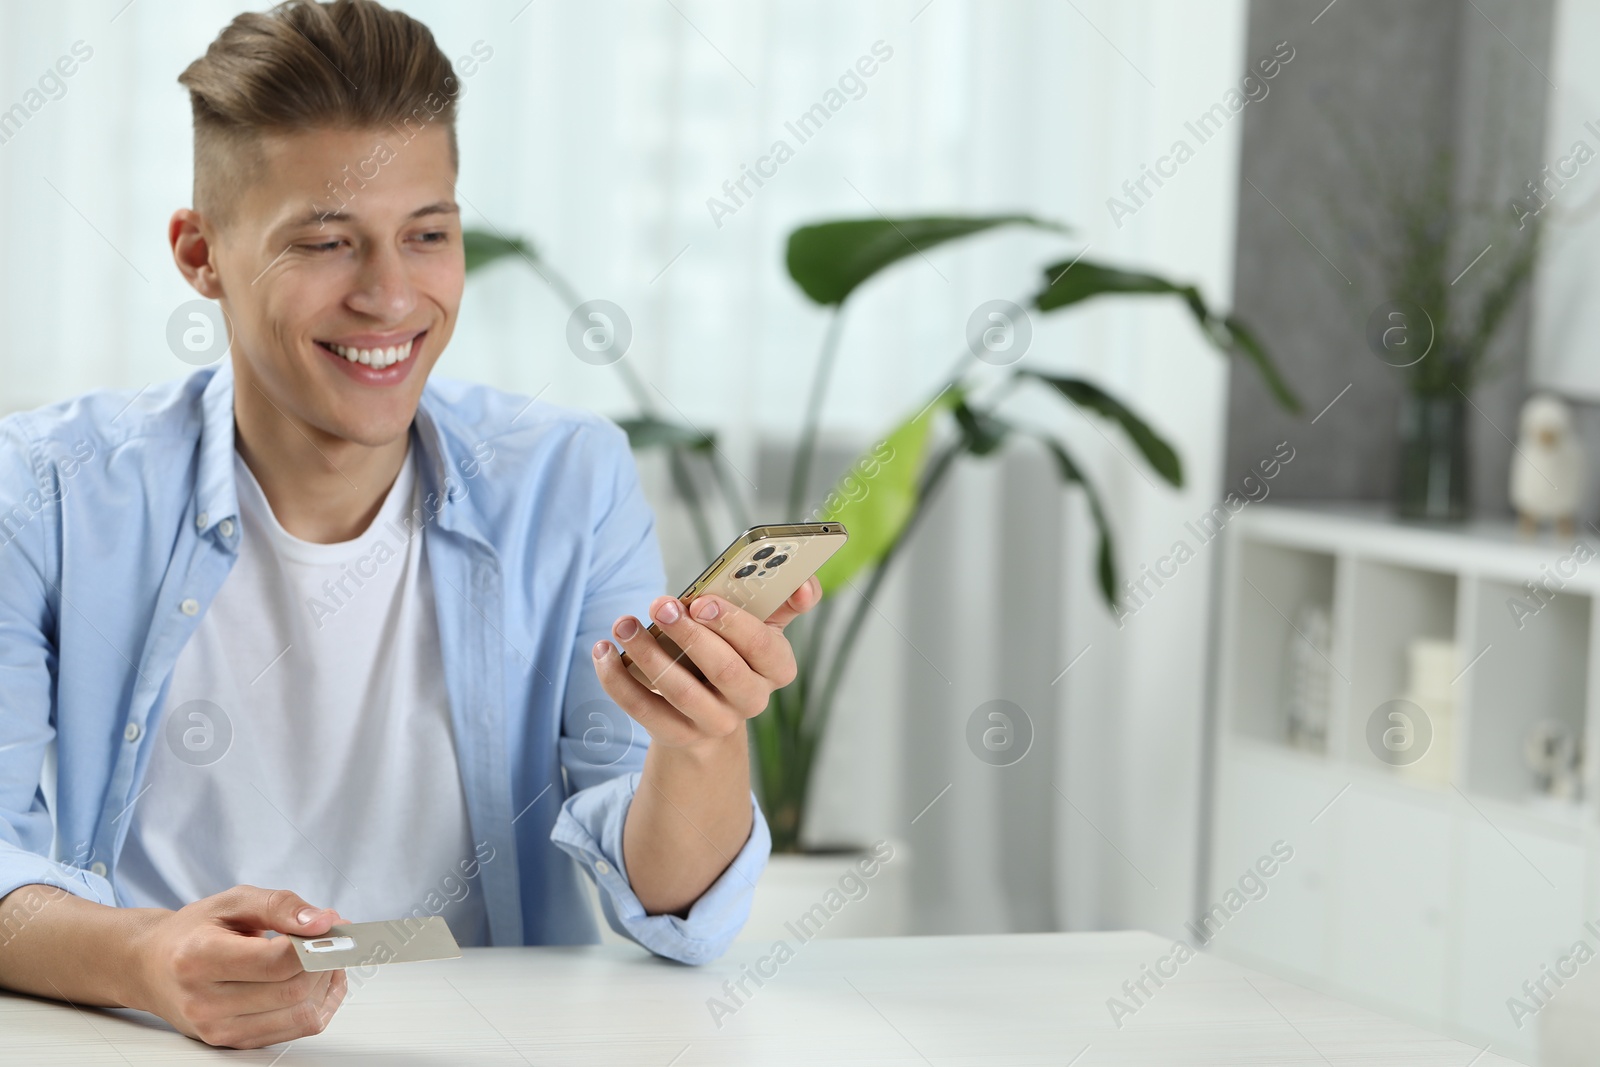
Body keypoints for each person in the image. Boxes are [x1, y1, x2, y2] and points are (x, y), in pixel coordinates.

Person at [0, 0, 812, 1049]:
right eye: (327, 242)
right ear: (201, 255)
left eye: (427, 234)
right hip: (147, 1037)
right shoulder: (47, 488)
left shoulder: (566, 479)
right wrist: (147, 957)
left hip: (481, 1036)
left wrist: (699, 742)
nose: (390, 296)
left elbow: (668, 912)